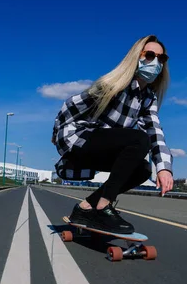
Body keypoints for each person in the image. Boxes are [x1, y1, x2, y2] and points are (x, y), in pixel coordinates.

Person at [51, 35, 174, 234]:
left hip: (104, 147)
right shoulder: (114, 84)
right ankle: (103, 207)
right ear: (137, 57)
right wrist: (56, 133)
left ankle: (85, 208)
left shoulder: (148, 99)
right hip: (80, 139)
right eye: (149, 55)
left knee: (142, 168)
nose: (156, 62)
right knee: (138, 139)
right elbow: (70, 105)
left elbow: (155, 132)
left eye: (161, 58)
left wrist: (163, 168)